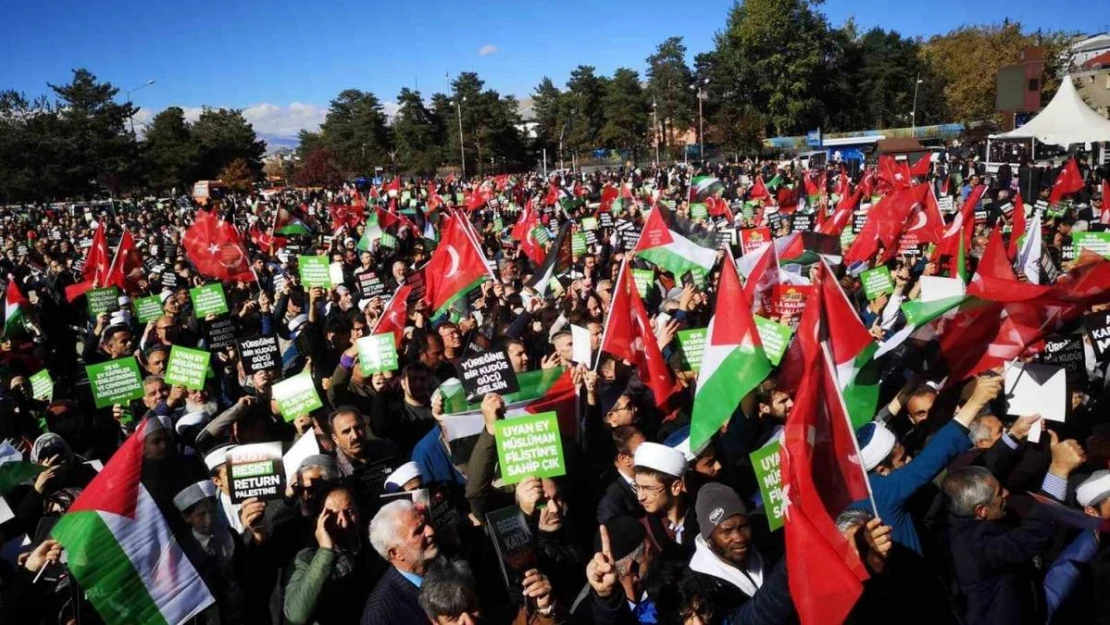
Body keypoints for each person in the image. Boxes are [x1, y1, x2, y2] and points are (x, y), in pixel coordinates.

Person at [283, 486, 374, 625]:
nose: (344, 522)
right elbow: (296, 615)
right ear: (318, 520)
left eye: (349, 512)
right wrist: (326, 551)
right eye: (333, 515)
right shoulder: (307, 557)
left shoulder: (375, 542)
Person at [362, 499, 440, 625]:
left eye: (427, 523)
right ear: (395, 553)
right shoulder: (381, 614)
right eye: (418, 531)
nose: (430, 531)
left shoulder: (448, 568)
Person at [419, 557, 559, 625]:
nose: (469, 622)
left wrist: (546, 608)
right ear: (435, 623)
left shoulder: (515, 618)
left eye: (471, 608)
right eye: (453, 618)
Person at [633, 442, 698, 559]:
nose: (640, 497)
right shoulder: (641, 531)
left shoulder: (701, 517)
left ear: (676, 487)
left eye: (649, 488)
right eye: (637, 487)